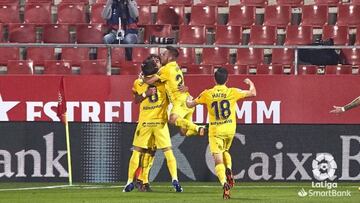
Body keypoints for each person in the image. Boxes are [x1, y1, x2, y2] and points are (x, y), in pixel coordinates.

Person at [186, 68, 256, 199]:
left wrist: (187, 99)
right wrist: (250, 82)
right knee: (225, 151)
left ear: (214, 78)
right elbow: (253, 93)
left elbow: (190, 105)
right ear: (227, 79)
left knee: (218, 159)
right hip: (229, 130)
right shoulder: (232, 92)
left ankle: (224, 183)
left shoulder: (207, 94)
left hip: (216, 131)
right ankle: (228, 168)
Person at [123, 57, 183, 193]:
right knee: (161, 151)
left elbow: (136, 99)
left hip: (147, 123)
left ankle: (136, 181)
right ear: (155, 69)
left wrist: (145, 90)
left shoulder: (139, 82)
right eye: (156, 62)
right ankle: (171, 179)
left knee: (144, 151)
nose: (158, 62)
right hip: (157, 123)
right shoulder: (163, 83)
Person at [143, 46, 205, 137]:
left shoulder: (166, 69)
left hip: (180, 102)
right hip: (188, 99)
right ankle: (204, 130)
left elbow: (149, 81)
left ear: (170, 57)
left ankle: (198, 128)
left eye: (164, 54)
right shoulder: (175, 66)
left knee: (172, 119)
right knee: (184, 133)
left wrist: (142, 77)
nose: (161, 55)